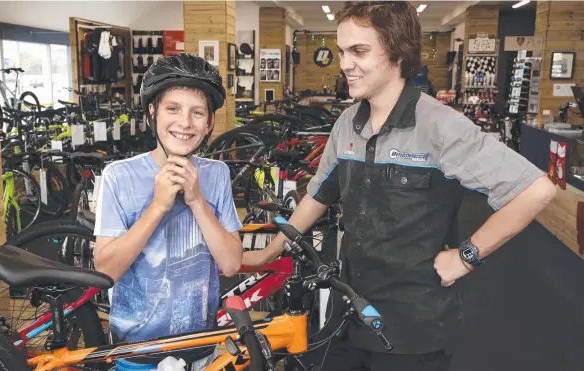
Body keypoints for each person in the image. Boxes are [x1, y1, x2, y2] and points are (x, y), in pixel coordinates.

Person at [242, 2, 556, 371]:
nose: (345, 63)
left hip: (415, 331)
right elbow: (318, 196)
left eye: (359, 51)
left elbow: (536, 189)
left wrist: (467, 257)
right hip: (350, 315)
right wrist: (270, 251)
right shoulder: (347, 123)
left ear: (397, 53)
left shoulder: (440, 125)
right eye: (343, 51)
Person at [93, 53, 243, 370]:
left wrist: (197, 201)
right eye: (172, 109)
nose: (185, 123)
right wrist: (158, 206)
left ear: (210, 122)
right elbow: (106, 272)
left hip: (199, 348)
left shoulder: (216, 175)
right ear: (153, 111)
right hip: (137, 352)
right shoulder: (119, 176)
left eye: (197, 112)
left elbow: (231, 264)